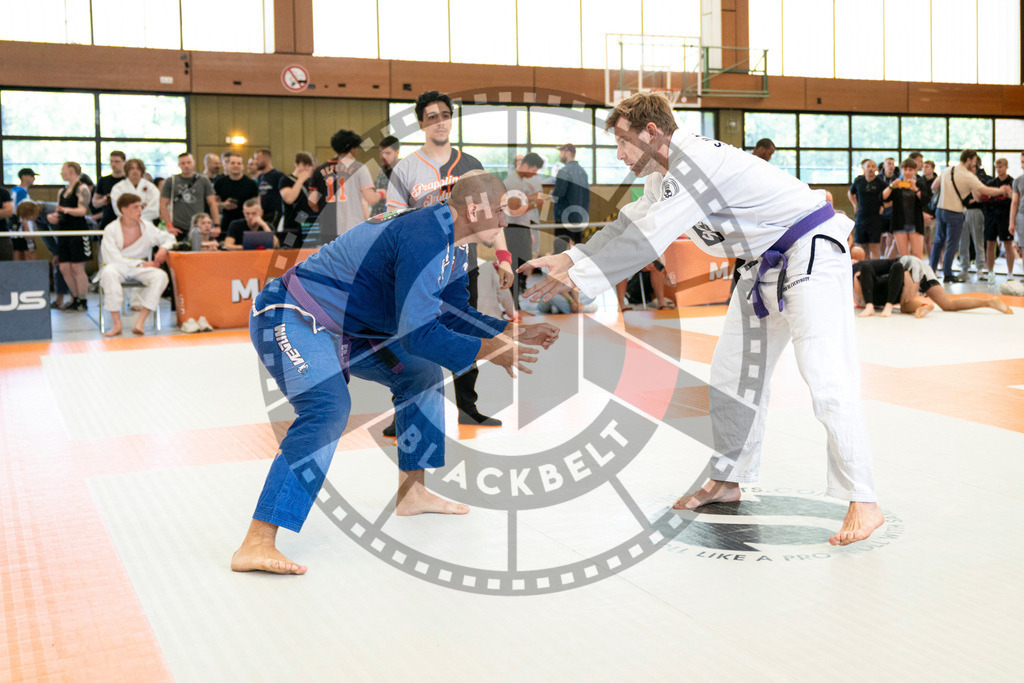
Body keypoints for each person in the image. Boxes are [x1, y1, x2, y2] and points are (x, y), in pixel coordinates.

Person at [522, 91, 883, 546]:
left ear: (651, 132)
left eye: (623, 142)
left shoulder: (694, 164)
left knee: (825, 373)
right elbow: (629, 224)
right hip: (761, 264)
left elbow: (648, 239)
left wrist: (579, 277)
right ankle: (728, 478)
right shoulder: (663, 174)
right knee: (732, 375)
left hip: (810, 249)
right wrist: (571, 258)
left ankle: (864, 498)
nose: (619, 155)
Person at [230, 171, 559, 574]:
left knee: (420, 376)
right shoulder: (423, 235)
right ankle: (257, 541)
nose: (506, 221)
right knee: (327, 408)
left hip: (353, 330)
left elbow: (452, 313)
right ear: (474, 211)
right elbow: (418, 333)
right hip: (293, 314)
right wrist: (492, 350)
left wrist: (509, 332)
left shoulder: (457, 247)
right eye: (501, 212)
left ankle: (412, 493)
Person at [386, 90, 516, 431]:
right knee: (410, 336)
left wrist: (503, 257)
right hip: (416, 268)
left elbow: (491, 214)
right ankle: (404, 412)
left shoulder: (470, 164)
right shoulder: (406, 168)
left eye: (445, 115)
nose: (439, 122)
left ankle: (468, 408)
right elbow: (392, 221)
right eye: (432, 117)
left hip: (460, 266)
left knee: (463, 326)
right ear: (421, 123)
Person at [97, 193, 175, 336]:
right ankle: (116, 324)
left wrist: (163, 249)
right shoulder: (111, 229)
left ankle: (140, 322)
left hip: (141, 267)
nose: (140, 210)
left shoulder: (147, 227)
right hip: (119, 266)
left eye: (140, 207)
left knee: (161, 276)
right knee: (108, 273)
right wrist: (141, 264)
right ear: (124, 209)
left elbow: (170, 238)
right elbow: (112, 258)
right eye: (135, 207)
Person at [930, 150, 1009, 284]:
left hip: (940, 210)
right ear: (969, 159)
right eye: (974, 160)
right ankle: (947, 274)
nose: (975, 163)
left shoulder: (948, 170)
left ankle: (931, 272)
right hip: (955, 212)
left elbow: (934, 186)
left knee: (938, 242)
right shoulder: (967, 176)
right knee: (951, 244)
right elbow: (986, 190)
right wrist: (1002, 190)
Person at [853, 256, 1012, 318]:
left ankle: (923, 306)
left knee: (905, 304)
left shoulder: (857, 267)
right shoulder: (859, 268)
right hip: (916, 265)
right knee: (948, 304)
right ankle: (990, 302)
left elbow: (895, 267)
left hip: (909, 265)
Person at [308, 130, 380, 241]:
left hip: (327, 227)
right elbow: (370, 198)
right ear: (352, 148)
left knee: (330, 253)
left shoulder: (319, 170)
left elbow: (312, 202)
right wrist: (381, 193)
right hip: (353, 227)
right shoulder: (359, 168)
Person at [46, 162, 93, 312]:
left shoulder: (82, 188)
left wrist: (65, 210)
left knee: (77, 267)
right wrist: (53, 216)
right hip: (64, 232)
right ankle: (75, 297)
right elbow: (59, 210)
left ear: (71, 171)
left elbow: (82, 211)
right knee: (64, 267)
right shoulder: (62, 191)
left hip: (78, 231)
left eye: (63, 170)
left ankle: (82, 300)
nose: (61, 173)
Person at [503, 152, 546, 306]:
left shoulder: (519, 181)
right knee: (517, 266)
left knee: (522, 263)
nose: (535, 173)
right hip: (514, 228)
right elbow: (514, 208)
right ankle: (514, 305)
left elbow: (518, 203)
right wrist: (534, 204)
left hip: (520, 227)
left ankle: (515, 303)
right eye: (534, 170)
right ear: (526, 165)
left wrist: (531, 199)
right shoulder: (514, 180)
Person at [160, 152, 220, 239]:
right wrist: (169, 225)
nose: (186, 166)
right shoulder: (171, 181)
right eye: (183, 163)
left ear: (194, 163)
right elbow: (163, 204)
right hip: (178, 226)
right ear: (179, 165)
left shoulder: (203, 180)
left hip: (199, 226)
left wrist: (217, 225)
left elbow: (212, 203)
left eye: (189, 162)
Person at [881, 158, 925, 259]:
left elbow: (925, 200)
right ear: (902, 170)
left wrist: (915, 189)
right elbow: (883, 197)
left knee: (917, 255)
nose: (908, 172)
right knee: (904, 256)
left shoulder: (919, 183)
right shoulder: (896, 184)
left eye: (910, 170)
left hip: (915, 223)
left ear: (915, 171)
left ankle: (917, 270)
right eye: (905, 169)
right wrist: (892, 186)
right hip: (899, 223)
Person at [551, 143, 591, 252]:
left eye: (561, 152)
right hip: (579, 218)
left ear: (568, 153)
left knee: (561, 251)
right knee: (577, 251)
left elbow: (558, 194)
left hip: (564, 218)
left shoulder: (564, 171)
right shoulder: (583, 172)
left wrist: (550, 195)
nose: (560, 155)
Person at [214, 152, 259, 242]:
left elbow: (256, 205)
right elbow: (213, 204)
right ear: (228, 165)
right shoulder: (220, 182)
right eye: (233, 163)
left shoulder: (251, 184)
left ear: (243, 166)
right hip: (226, 223)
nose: (236, 166)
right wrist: (223, 205)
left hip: (246, 223)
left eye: (239, 163)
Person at [982, 157, 1014, 282]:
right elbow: (986, 199)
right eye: (996, 167)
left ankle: (1010, 273)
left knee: (1008, 245)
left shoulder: (1012, 182)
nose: (998, 169)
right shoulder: (991, 183)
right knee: (990, 244)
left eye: (1001, 167)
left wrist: (1002, 196)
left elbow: (1013, 200)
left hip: (1005, 217)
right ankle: (990, 272)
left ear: (1006, 167)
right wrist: (999, 195)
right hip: (991, 217)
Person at [278, 151, 318, 248]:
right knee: (289, 252)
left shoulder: (310, 182)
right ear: (296, 164)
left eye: (309, 166)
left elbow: (315, 203)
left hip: (307, 225)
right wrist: (300, 180)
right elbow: (289, 199)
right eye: (304, 165)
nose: (307, 168)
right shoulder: (286, 180)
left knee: (308, 252)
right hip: (291, 227)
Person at [848, 159, 886, 259]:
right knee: (861, 247)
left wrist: (883, 206)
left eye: (873, 166)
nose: (870, 169)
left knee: (874, 247)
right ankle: (862, 266)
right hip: (861, 218)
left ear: (876, 169)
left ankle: (875, 267)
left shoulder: (881, 183)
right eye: (868, 166)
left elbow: (888, 197)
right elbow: (850, 193)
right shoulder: (858, 181)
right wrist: (855, 205)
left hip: (875, 219)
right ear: (864, 168)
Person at [110, 159, 160, 224]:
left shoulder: (151, 188)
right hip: (125, 224)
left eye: (138, 168)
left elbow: (154, 210)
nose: (135, 171)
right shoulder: (118, 188)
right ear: (127, 170)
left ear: (142, 171)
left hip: (146, 223)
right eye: (132, 168)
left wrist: (136, 216)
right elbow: (118, 210)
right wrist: (142, 207)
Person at [91, 150, 126, 229]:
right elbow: (95, 203)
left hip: (125, 219)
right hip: (107, 220)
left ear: (124, 162)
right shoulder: (103, 180)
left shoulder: (128, 181)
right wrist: (103, 201)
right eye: (111, 161)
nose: (113, 164)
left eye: (117, 161)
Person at [254, 149, 287, 229]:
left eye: (257, 159)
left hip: (275, 213)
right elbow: (259, 194)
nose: (255, 162)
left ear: (266, 158)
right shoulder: (260, 176)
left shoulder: (278, 175)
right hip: (264, 213)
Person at [371, 136, 400, 216]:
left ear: (397, 152)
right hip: (378, 215)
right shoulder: (382, 170)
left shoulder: (403, 171)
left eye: (388, 153)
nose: (383, 156)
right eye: (381, 153)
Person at [1008, 152, 1024, 280]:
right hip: (1022, 216)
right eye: (1022, 162)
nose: (1022, 165)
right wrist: (1011, 222)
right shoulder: (1018, 181)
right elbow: (1014, 202)